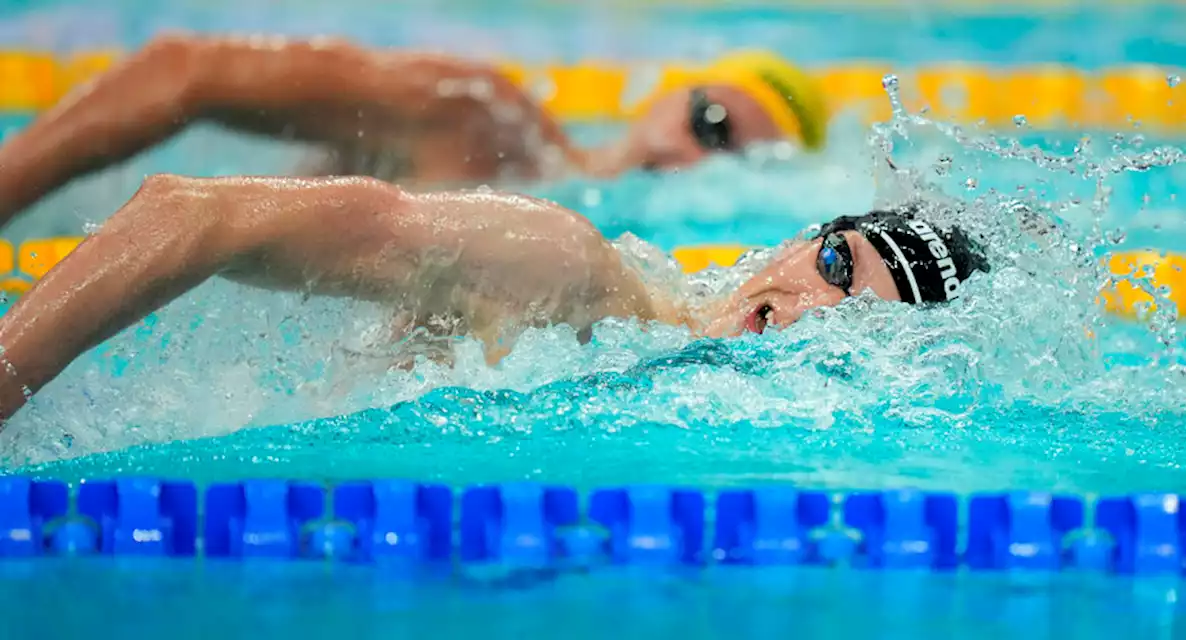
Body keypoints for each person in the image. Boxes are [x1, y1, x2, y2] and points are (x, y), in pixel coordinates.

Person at [0, 175, 988, 424]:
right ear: (793, 234)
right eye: (833, 263)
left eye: (859, 320)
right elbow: (189, 212)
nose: (812, 311)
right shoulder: (560, 264)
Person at [0, 33, 830, 228]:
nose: (693, 157)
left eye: (733, 160)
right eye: (710, 122)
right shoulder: (478, 117)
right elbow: (181, 70)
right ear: (665, 94)